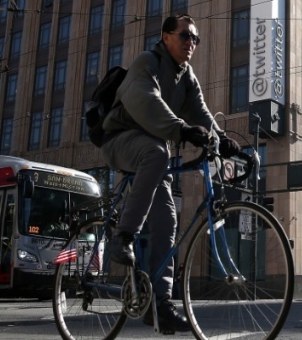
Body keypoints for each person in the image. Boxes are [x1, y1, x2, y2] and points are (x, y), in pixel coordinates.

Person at [100, 14, 240, 332]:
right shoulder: (147, 62)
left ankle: (159, 304)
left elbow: (200, 112)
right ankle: (122, 237)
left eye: (195, 38)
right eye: (185, 36)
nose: (191, 42)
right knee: (157, 152)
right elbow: (145, 101)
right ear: (166, 37)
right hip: (119, 141)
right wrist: (182, 130)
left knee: (167, 218)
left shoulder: (186, 75)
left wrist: (221, 139)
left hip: (152, 152)